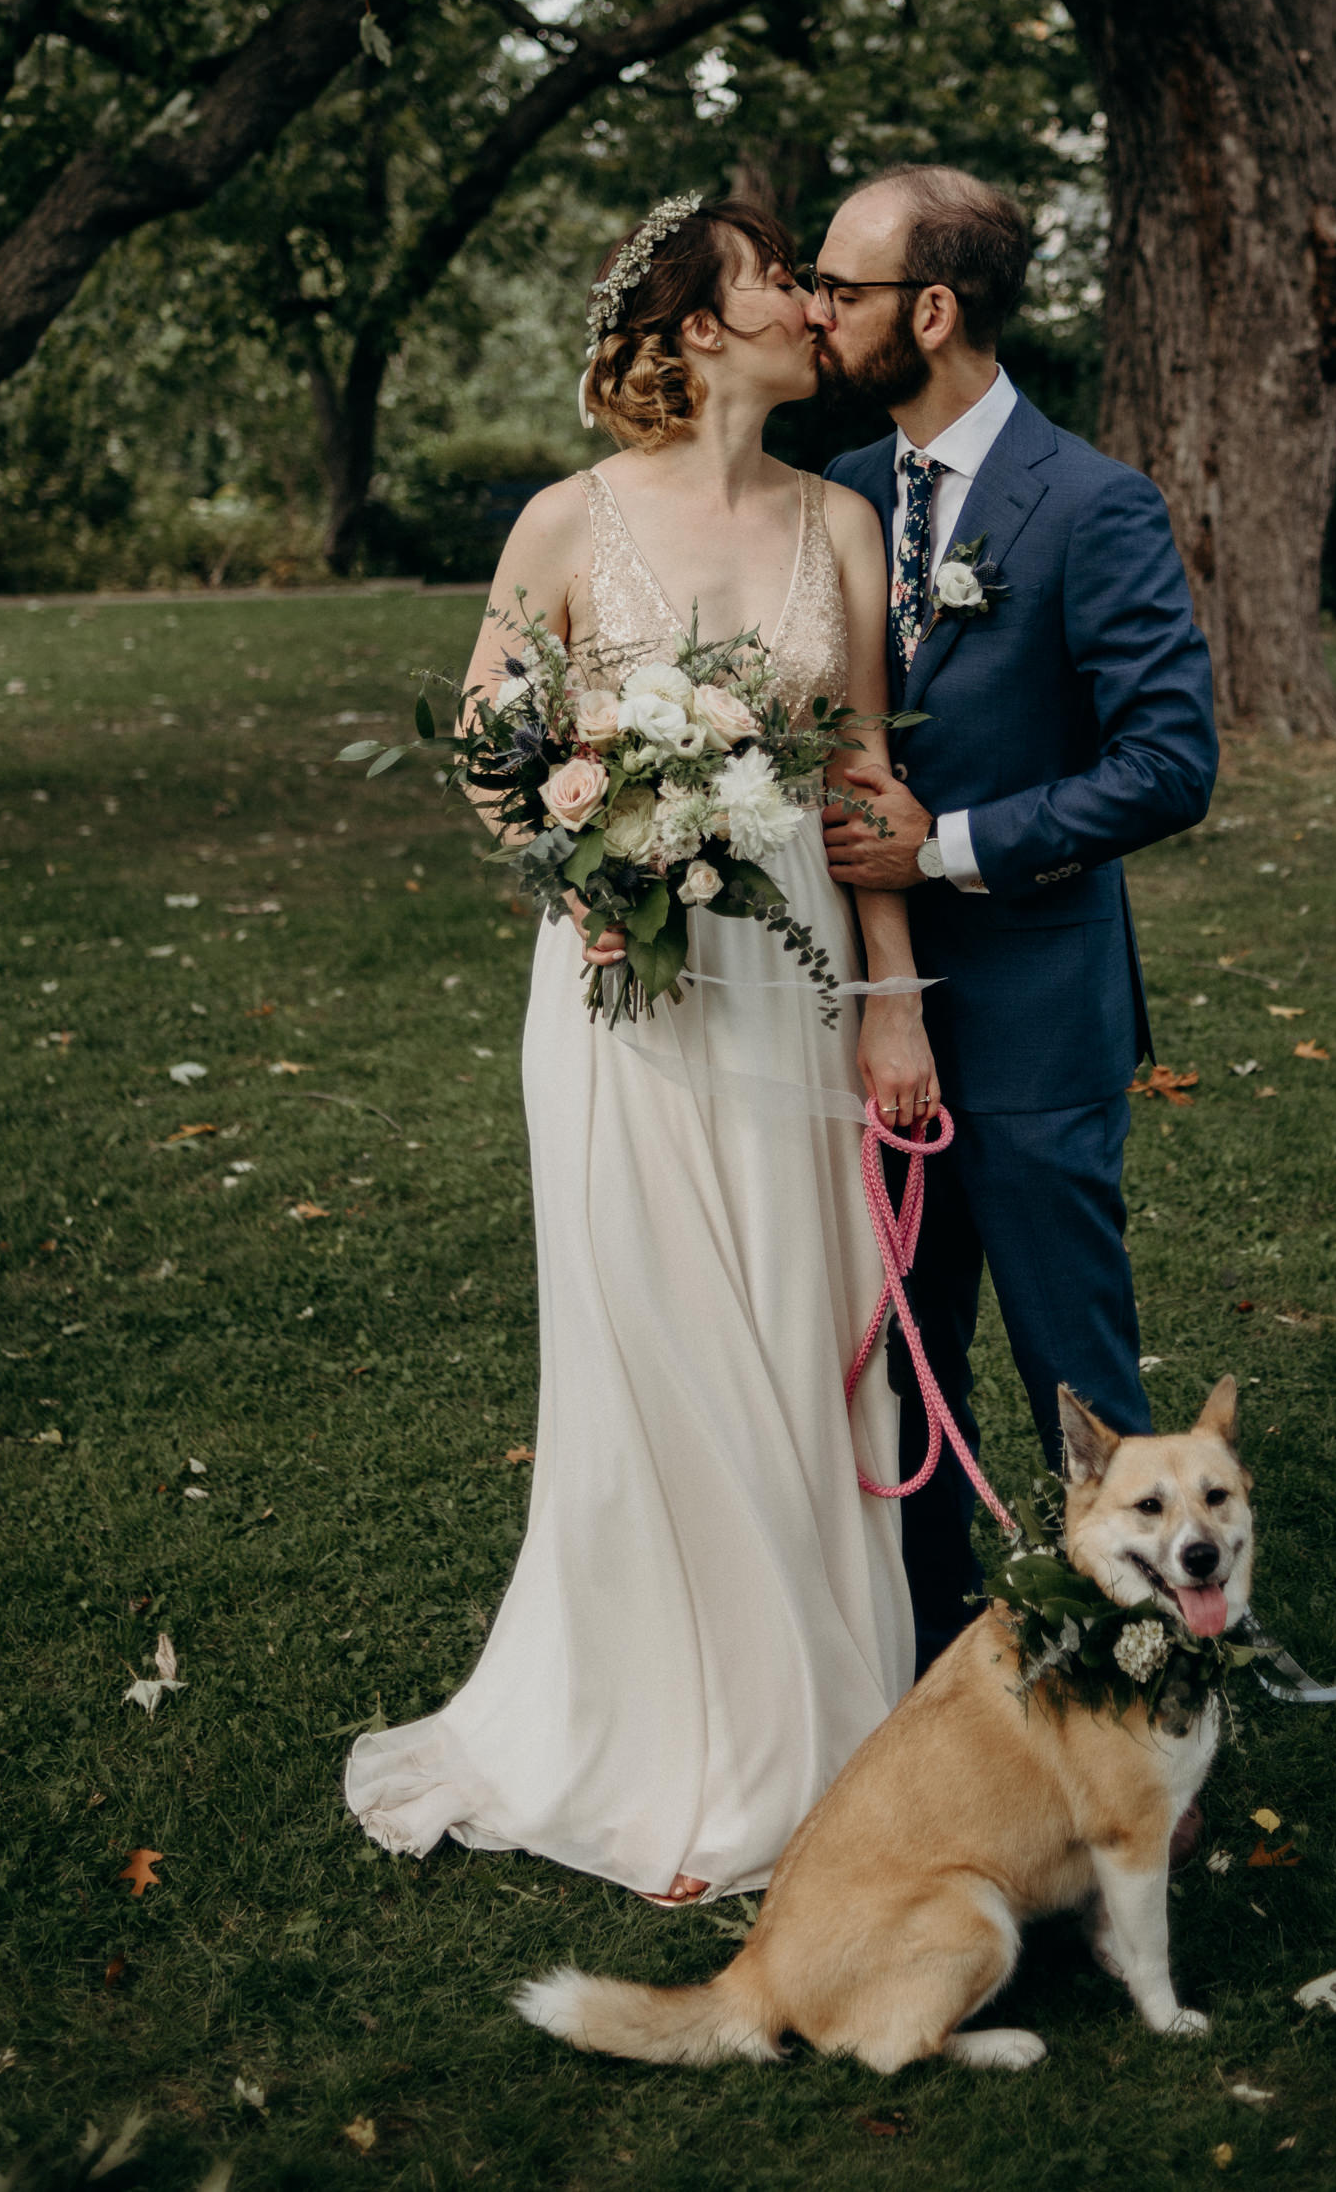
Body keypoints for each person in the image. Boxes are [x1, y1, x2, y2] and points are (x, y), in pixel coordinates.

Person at [344, 199, 928, 1902]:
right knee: (653, 1336)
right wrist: (595, 858)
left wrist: (895, 994)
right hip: (623, 986)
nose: (812, 303)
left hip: (800, 975)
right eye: (773, 280)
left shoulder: (845, 530)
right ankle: (645, 1727)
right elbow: (489, 752)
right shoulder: (563, 523)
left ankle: (812, 1731)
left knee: (800, 1330)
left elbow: (866, 787)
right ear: (694, 329)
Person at [813, 165, 1218, 1671]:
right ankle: (930, 1658)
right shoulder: (841, 497)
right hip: (867, 1023)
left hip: (1040, 1020)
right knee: (900, 1364)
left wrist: (953, 846)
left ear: (932, 309)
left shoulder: (1095, 505)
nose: (816, 308)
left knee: (1077, 1376)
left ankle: (1146, 1675)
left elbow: (1171, 765)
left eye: (842, 287)